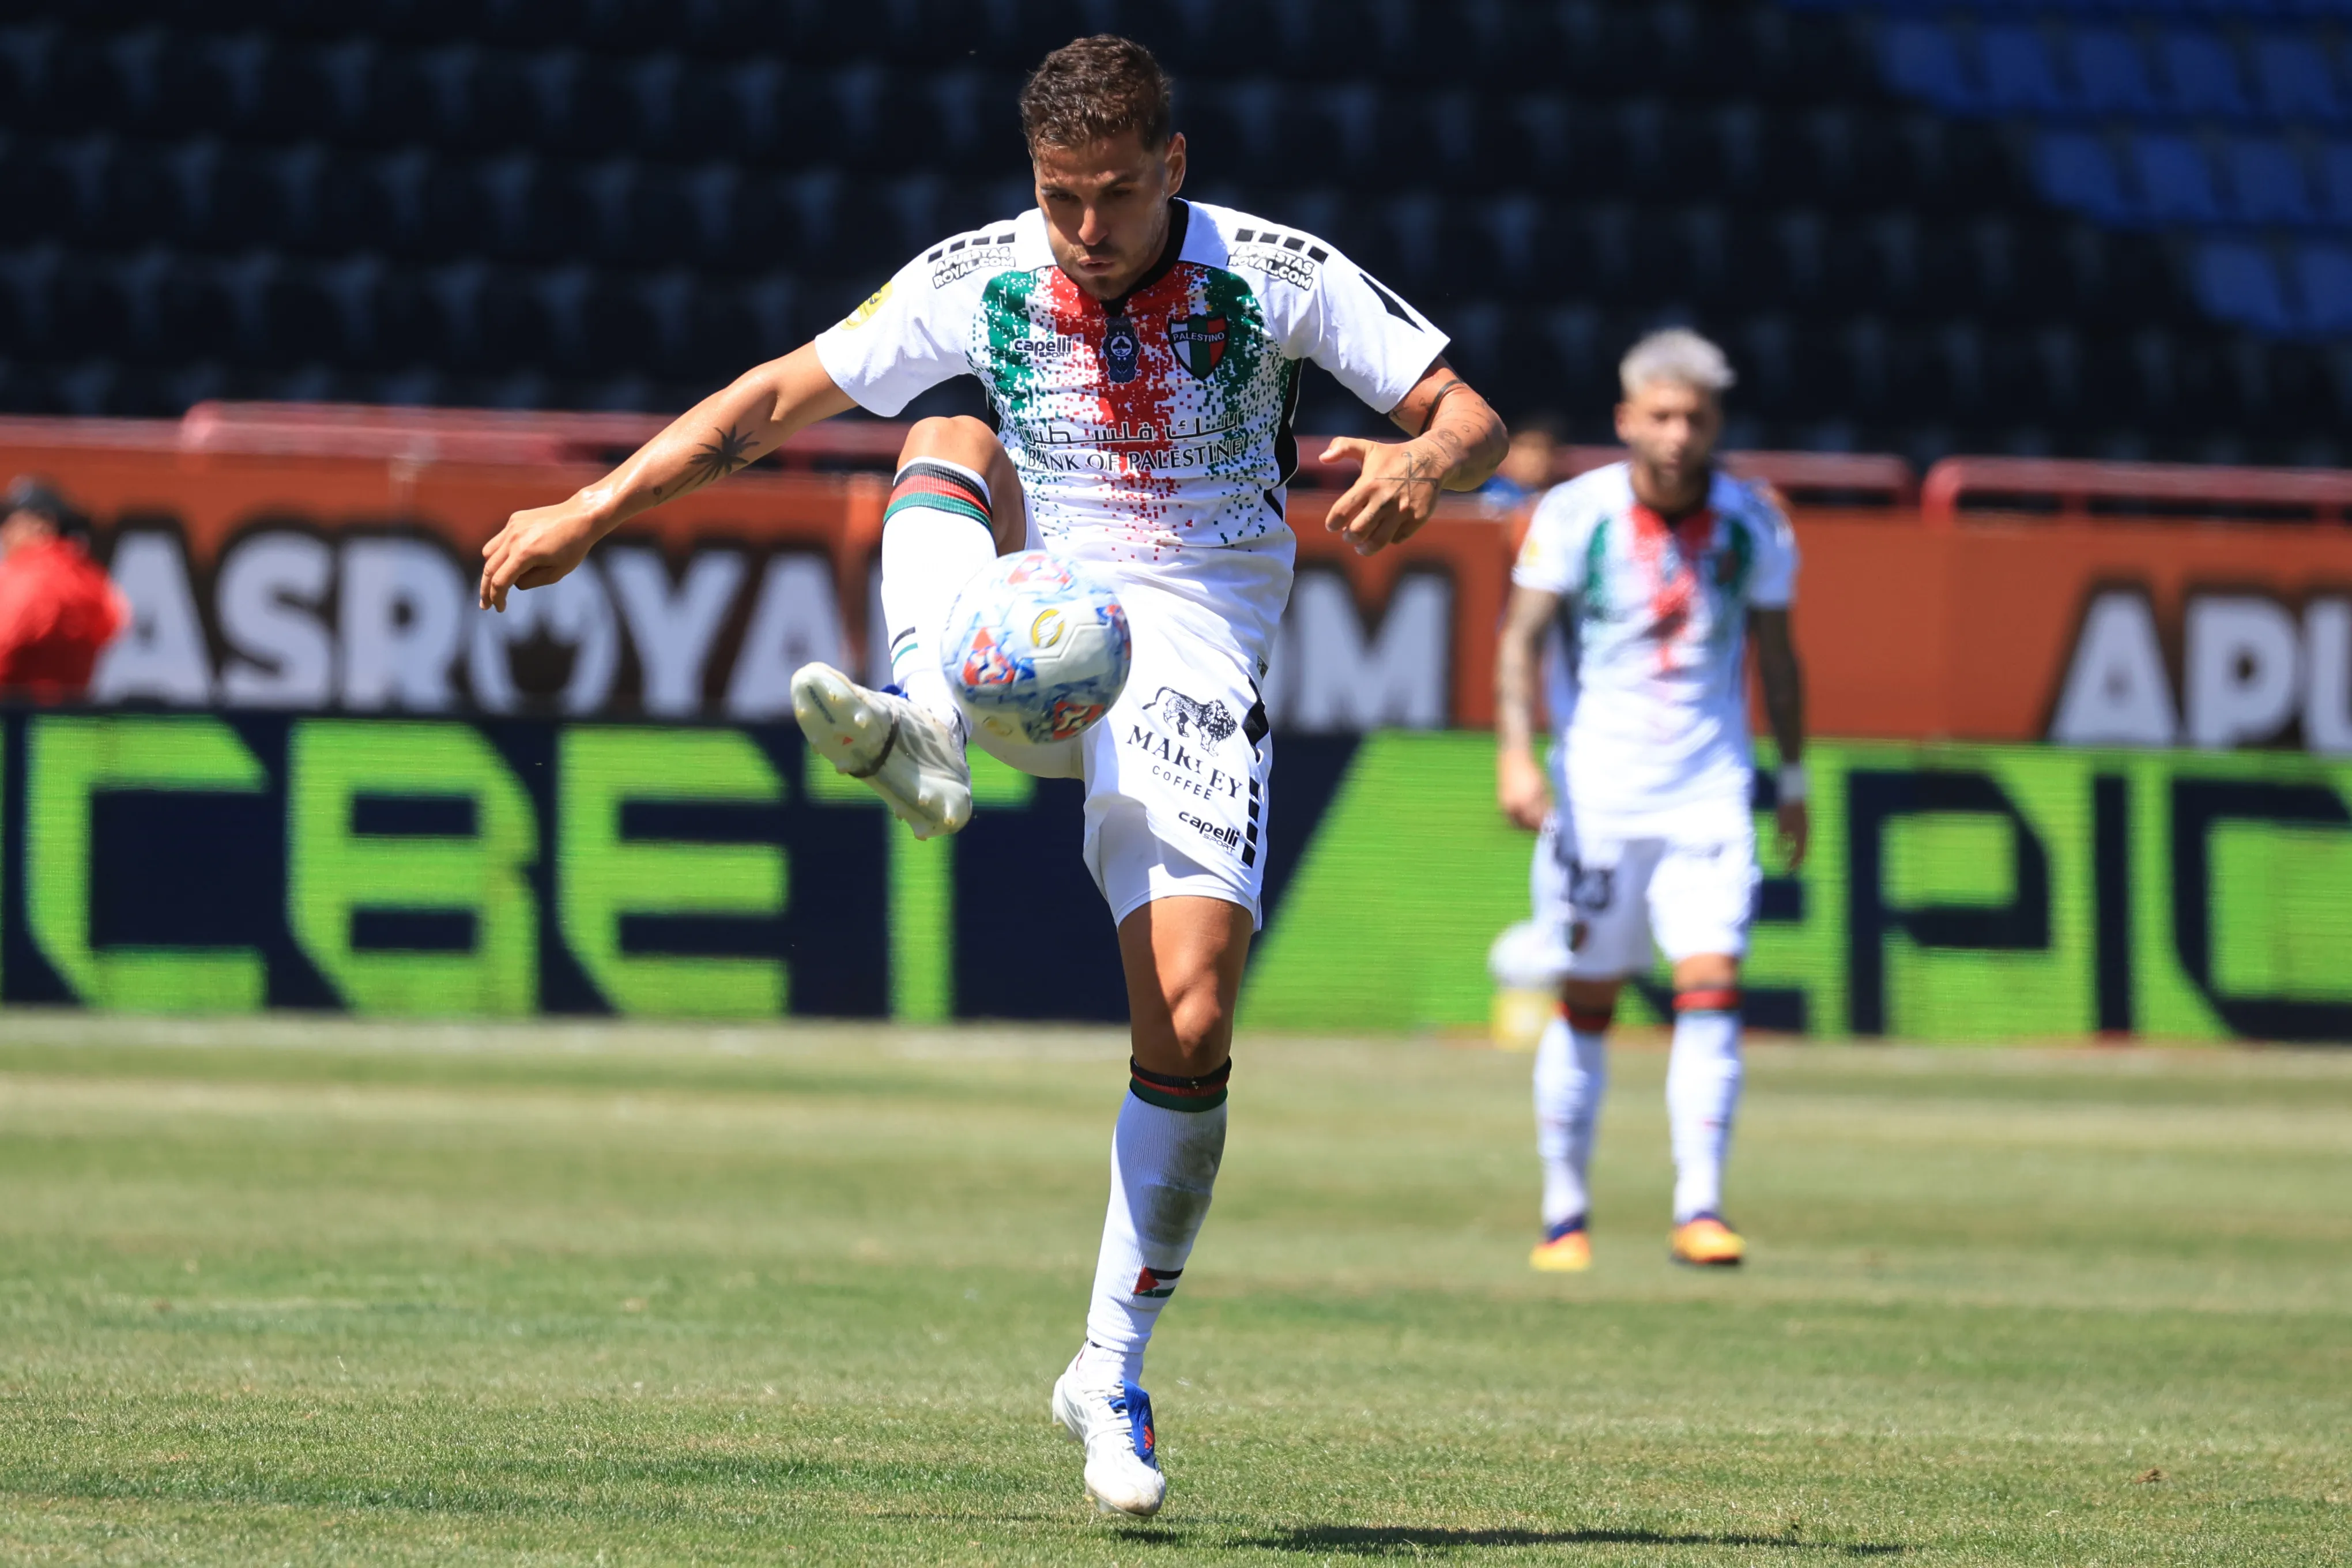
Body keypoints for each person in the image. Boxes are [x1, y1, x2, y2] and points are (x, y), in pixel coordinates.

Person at [476, 36, 1505, 1517]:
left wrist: (1426, 467)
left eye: (1111, 199)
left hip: (1197, 646)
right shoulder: (984, 271)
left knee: (1195, 1023)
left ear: (1173, 167)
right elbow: (773, 400)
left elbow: (1463, 412)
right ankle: (926, 720)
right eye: (1057, 198)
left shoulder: (1271, 272)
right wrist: (592, 505)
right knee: (944, 410)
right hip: (1039, 612)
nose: (1083, 233)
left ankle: (1106, 1362)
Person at [1492, 329, 1806, 1275]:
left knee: (1713, 991)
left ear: (1716, 426)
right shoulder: (1573, 515)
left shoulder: (1757, 523)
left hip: (1709, 795)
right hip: (1596, 796)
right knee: (1585, 1000)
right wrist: (1518, 757)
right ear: (1628, 419)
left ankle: (1700, 1208)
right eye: (1661, 416)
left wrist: (1791, 779)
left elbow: (1780, 660)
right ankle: (1565, 1213)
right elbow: (1521, 641)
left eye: (1696, 418)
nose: (1678, 434)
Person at [0, 477, 127, 702]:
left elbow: (4, 646)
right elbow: (116, 622)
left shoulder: (27, 577)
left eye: (9, 520)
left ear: (41, 525)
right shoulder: (92, 580)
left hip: (18, 722)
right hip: (68, 725)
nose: (4, 532)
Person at [1477, 414, 1561, 510]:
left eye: (1544, 448)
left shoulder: (1559, 497)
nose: (1536, 459)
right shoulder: (1485, 494)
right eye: (1526, 446)